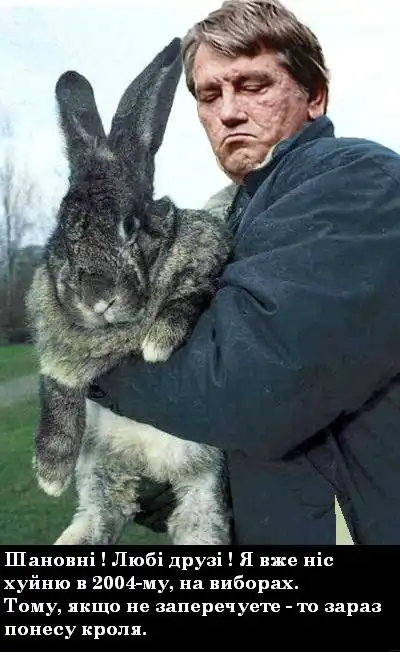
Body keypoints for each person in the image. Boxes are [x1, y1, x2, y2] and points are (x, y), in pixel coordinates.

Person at [88, 0, 400, 544]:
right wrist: (165, 481)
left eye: (253, 86)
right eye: (210, 96)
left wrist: (86, 356)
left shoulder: (358, 182)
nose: (229, 111)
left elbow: (249, 391)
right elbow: (218, 432)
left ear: (314, 96)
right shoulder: (230, 218)